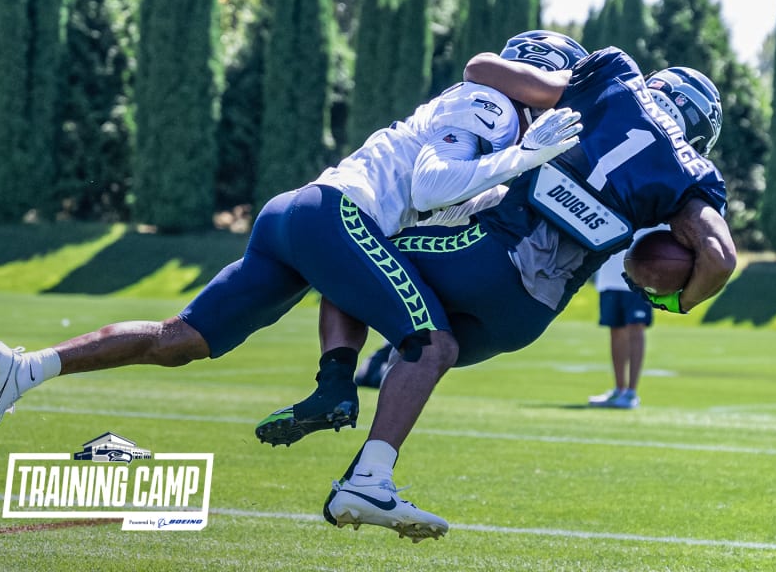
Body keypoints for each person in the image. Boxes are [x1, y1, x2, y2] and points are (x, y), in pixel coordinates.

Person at [0, 32, 587, 542]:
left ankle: (25, 369)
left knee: (181, 340)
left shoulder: (495, 115)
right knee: (433, 345)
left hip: (305, 218)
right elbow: (429, 184)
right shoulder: (492, 104)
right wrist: (523, 157)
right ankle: (368, 482)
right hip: (334, 214)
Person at [285, 46, 738, 540]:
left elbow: (481, 69)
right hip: (527, 316)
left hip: (483, 255)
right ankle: (369, 480)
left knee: (351, 244)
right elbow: (720, 256)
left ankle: (335, 381)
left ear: (661, 84)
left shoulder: (615, 77)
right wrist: (674, 299)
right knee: (431, 349)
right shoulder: (691, 170)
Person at [588, 242, 654, 409]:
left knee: (636, 329)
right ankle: (619, 389)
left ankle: (631, 393)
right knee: (615, 330)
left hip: (639, 277)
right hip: (608, 278)